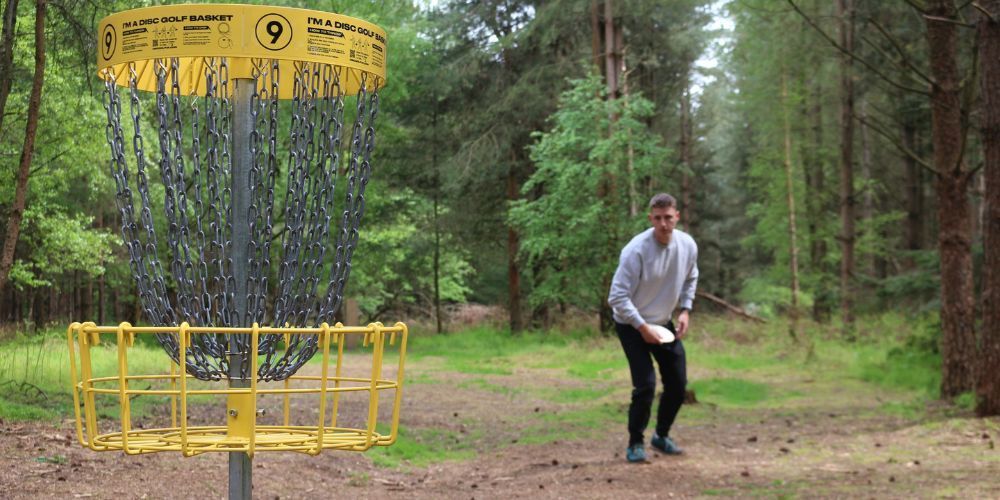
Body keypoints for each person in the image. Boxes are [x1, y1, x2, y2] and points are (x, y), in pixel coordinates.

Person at [608, 193, 698, 463]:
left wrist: (685, 310)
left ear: (677, 217)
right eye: (658, 219)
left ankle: (661, 436)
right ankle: (635, 443)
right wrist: (641, 326)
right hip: (630, 324)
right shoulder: (636, 250)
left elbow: (691, 277)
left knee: (678, 384)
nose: (663, 224)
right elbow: (617, 296)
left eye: (668, 218)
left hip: (662, 322)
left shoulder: (687, 245)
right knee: (645, 385)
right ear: (650, 219)